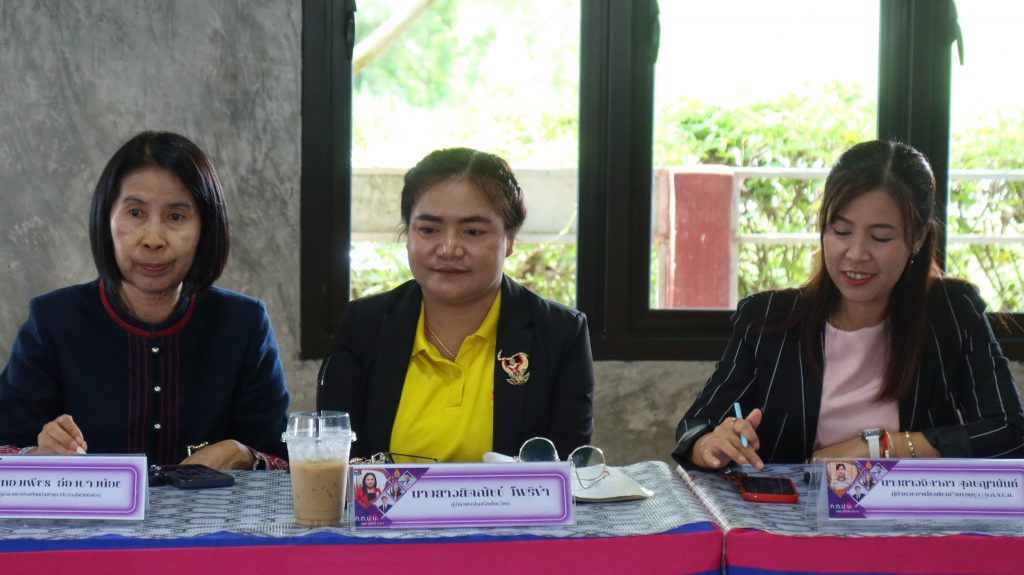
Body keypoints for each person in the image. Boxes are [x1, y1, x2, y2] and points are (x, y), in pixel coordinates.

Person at [673, 140, 1024, 469]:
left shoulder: (953, 312)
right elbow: (697, 426)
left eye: (880, 237)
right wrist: (710, 444)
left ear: (917, 238)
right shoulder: (768, 318)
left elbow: (1011, 432)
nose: (856, 254)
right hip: (791, 514)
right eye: (841, 232)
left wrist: (878, 447)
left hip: (909, 513)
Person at [0, 131, 289, 470]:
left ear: (205, 228)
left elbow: (283, 460)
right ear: (106, 219)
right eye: (135, 213)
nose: (153, 239)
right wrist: (38, 454)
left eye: (176, 216)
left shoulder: (244, 324)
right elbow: (6, 445)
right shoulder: (53, 321)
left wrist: (242, 454)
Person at [322, 147, 595, 462]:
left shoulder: (559, 334)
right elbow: (337, 457)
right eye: (429, 230)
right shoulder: (364, 324)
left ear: (509, 238)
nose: (449, 248)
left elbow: (565, 468)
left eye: (473, 231)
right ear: (408, 233)